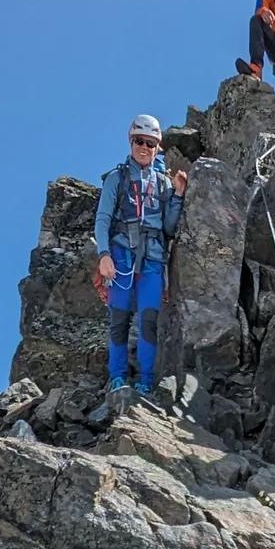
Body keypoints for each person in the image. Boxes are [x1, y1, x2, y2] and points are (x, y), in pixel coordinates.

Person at [93, 115, 186, 400]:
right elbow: (103, 218)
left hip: (153, 261)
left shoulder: (163, 183)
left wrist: (179, 196)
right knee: (119, 320)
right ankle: (118, 378)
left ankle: (146, 381)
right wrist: (103, 255)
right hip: (120, 258)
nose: (144, 147)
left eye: (150, 143)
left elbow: (169, 228)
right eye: (139, 142)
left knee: (148, 320)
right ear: (130, 142)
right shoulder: (116, 178)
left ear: (158, 147)